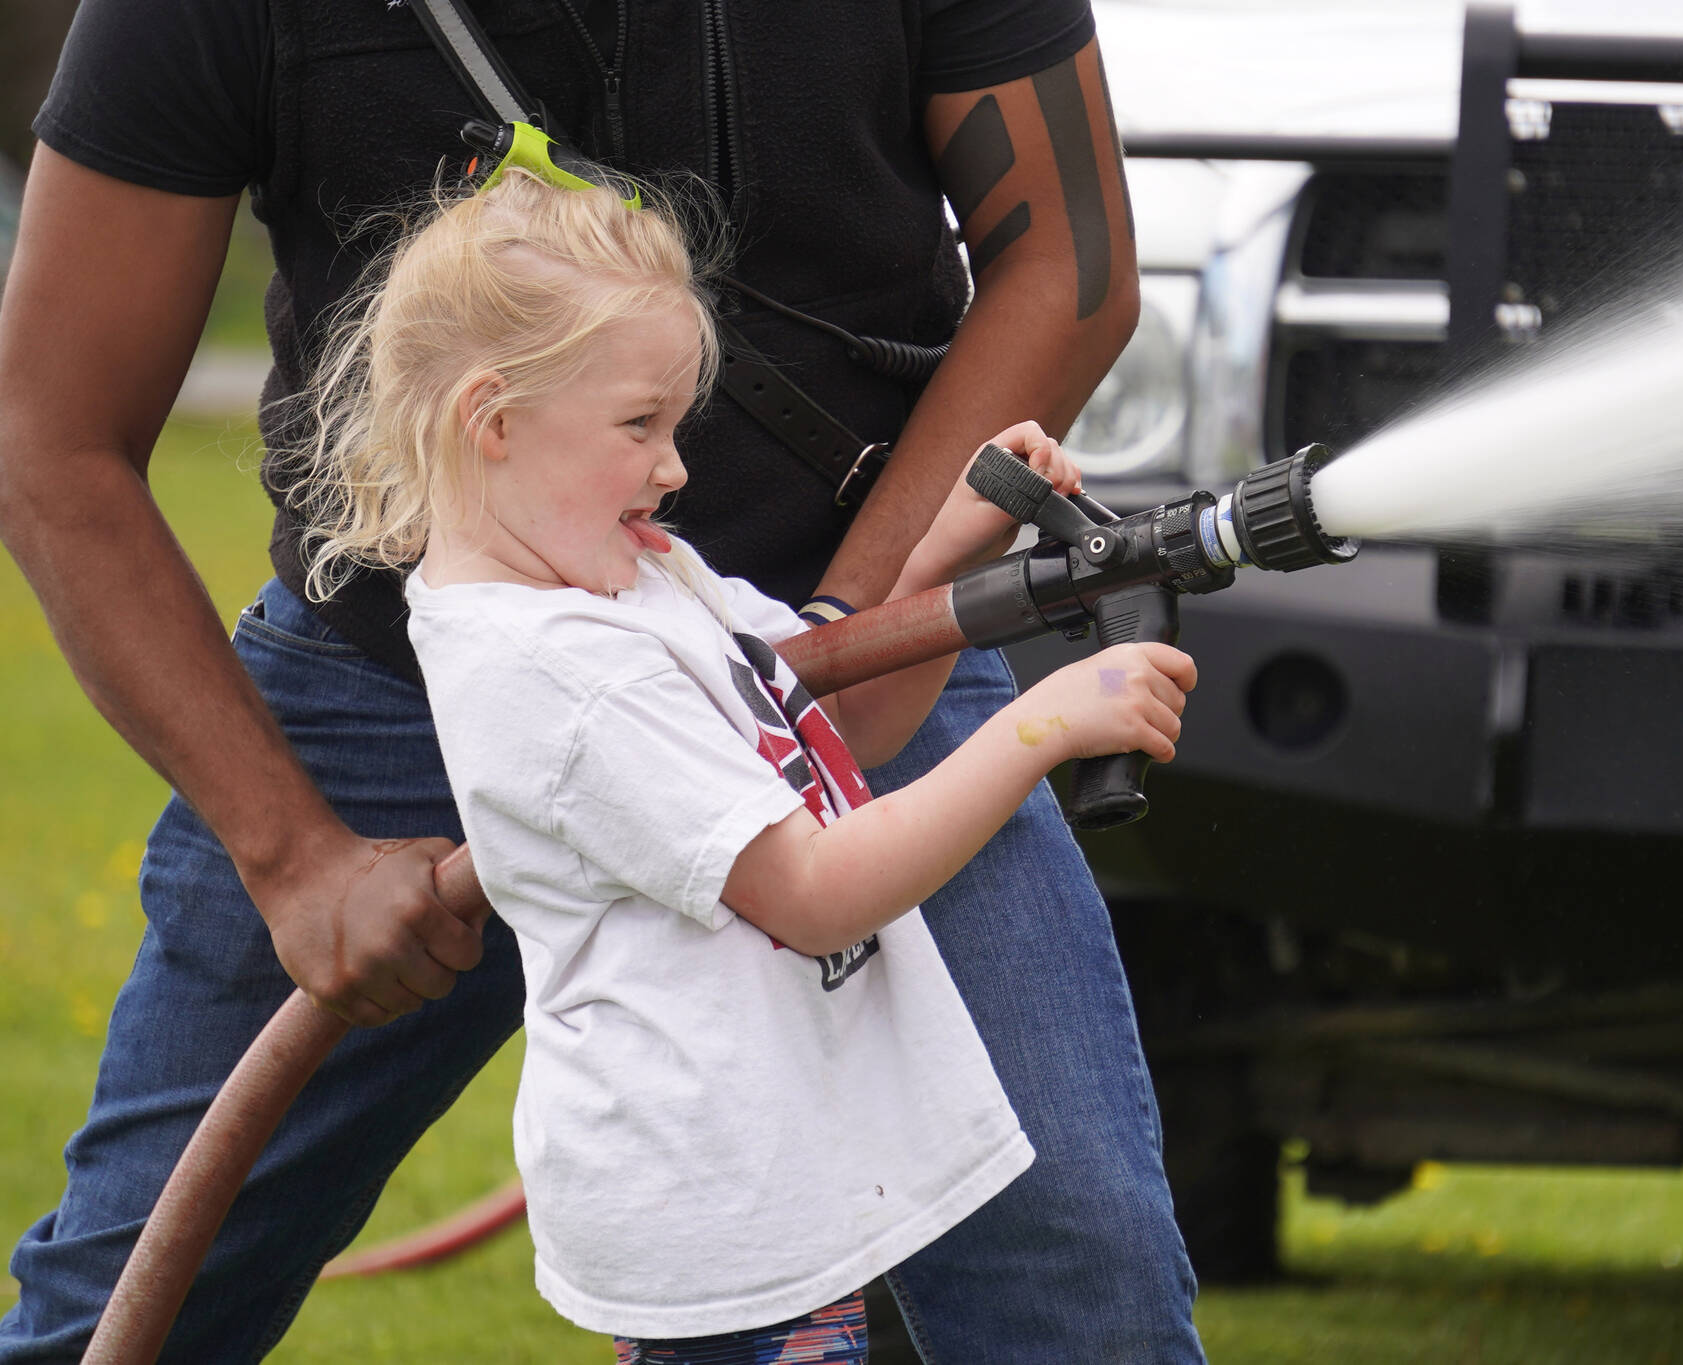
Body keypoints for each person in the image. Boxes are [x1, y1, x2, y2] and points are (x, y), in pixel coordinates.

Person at [0, 0, 1205, 1361]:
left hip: (813, 642)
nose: (670, 460)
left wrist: (853, 634)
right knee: (129, 1299)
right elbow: (53, 440)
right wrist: (294, 856)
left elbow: (1073, 267)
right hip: (395, 701)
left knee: (1073, 1282)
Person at [287, 167, 1195, 1359]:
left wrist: (944, 563)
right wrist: (1039, 729)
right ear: (493, 420)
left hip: (782, 1181)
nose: (673, 469)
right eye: (637, 427)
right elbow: (814, 895)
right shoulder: (560, 670)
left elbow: (829, 712)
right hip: (721, 1233)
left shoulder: (639, 580)